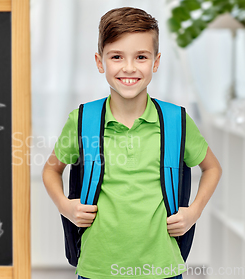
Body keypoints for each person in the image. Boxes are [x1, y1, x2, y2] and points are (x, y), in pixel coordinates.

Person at [41, 7, 222, 279]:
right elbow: (51, 170)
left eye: (140, 57)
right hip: (97, 268)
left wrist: (193, 212)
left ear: (156, 62)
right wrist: (66, 207)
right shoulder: (82, 120)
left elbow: (212, 168)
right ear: (100, 62)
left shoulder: (176, 120)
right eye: (116, 56)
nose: (128, 67)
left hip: (163, 268)